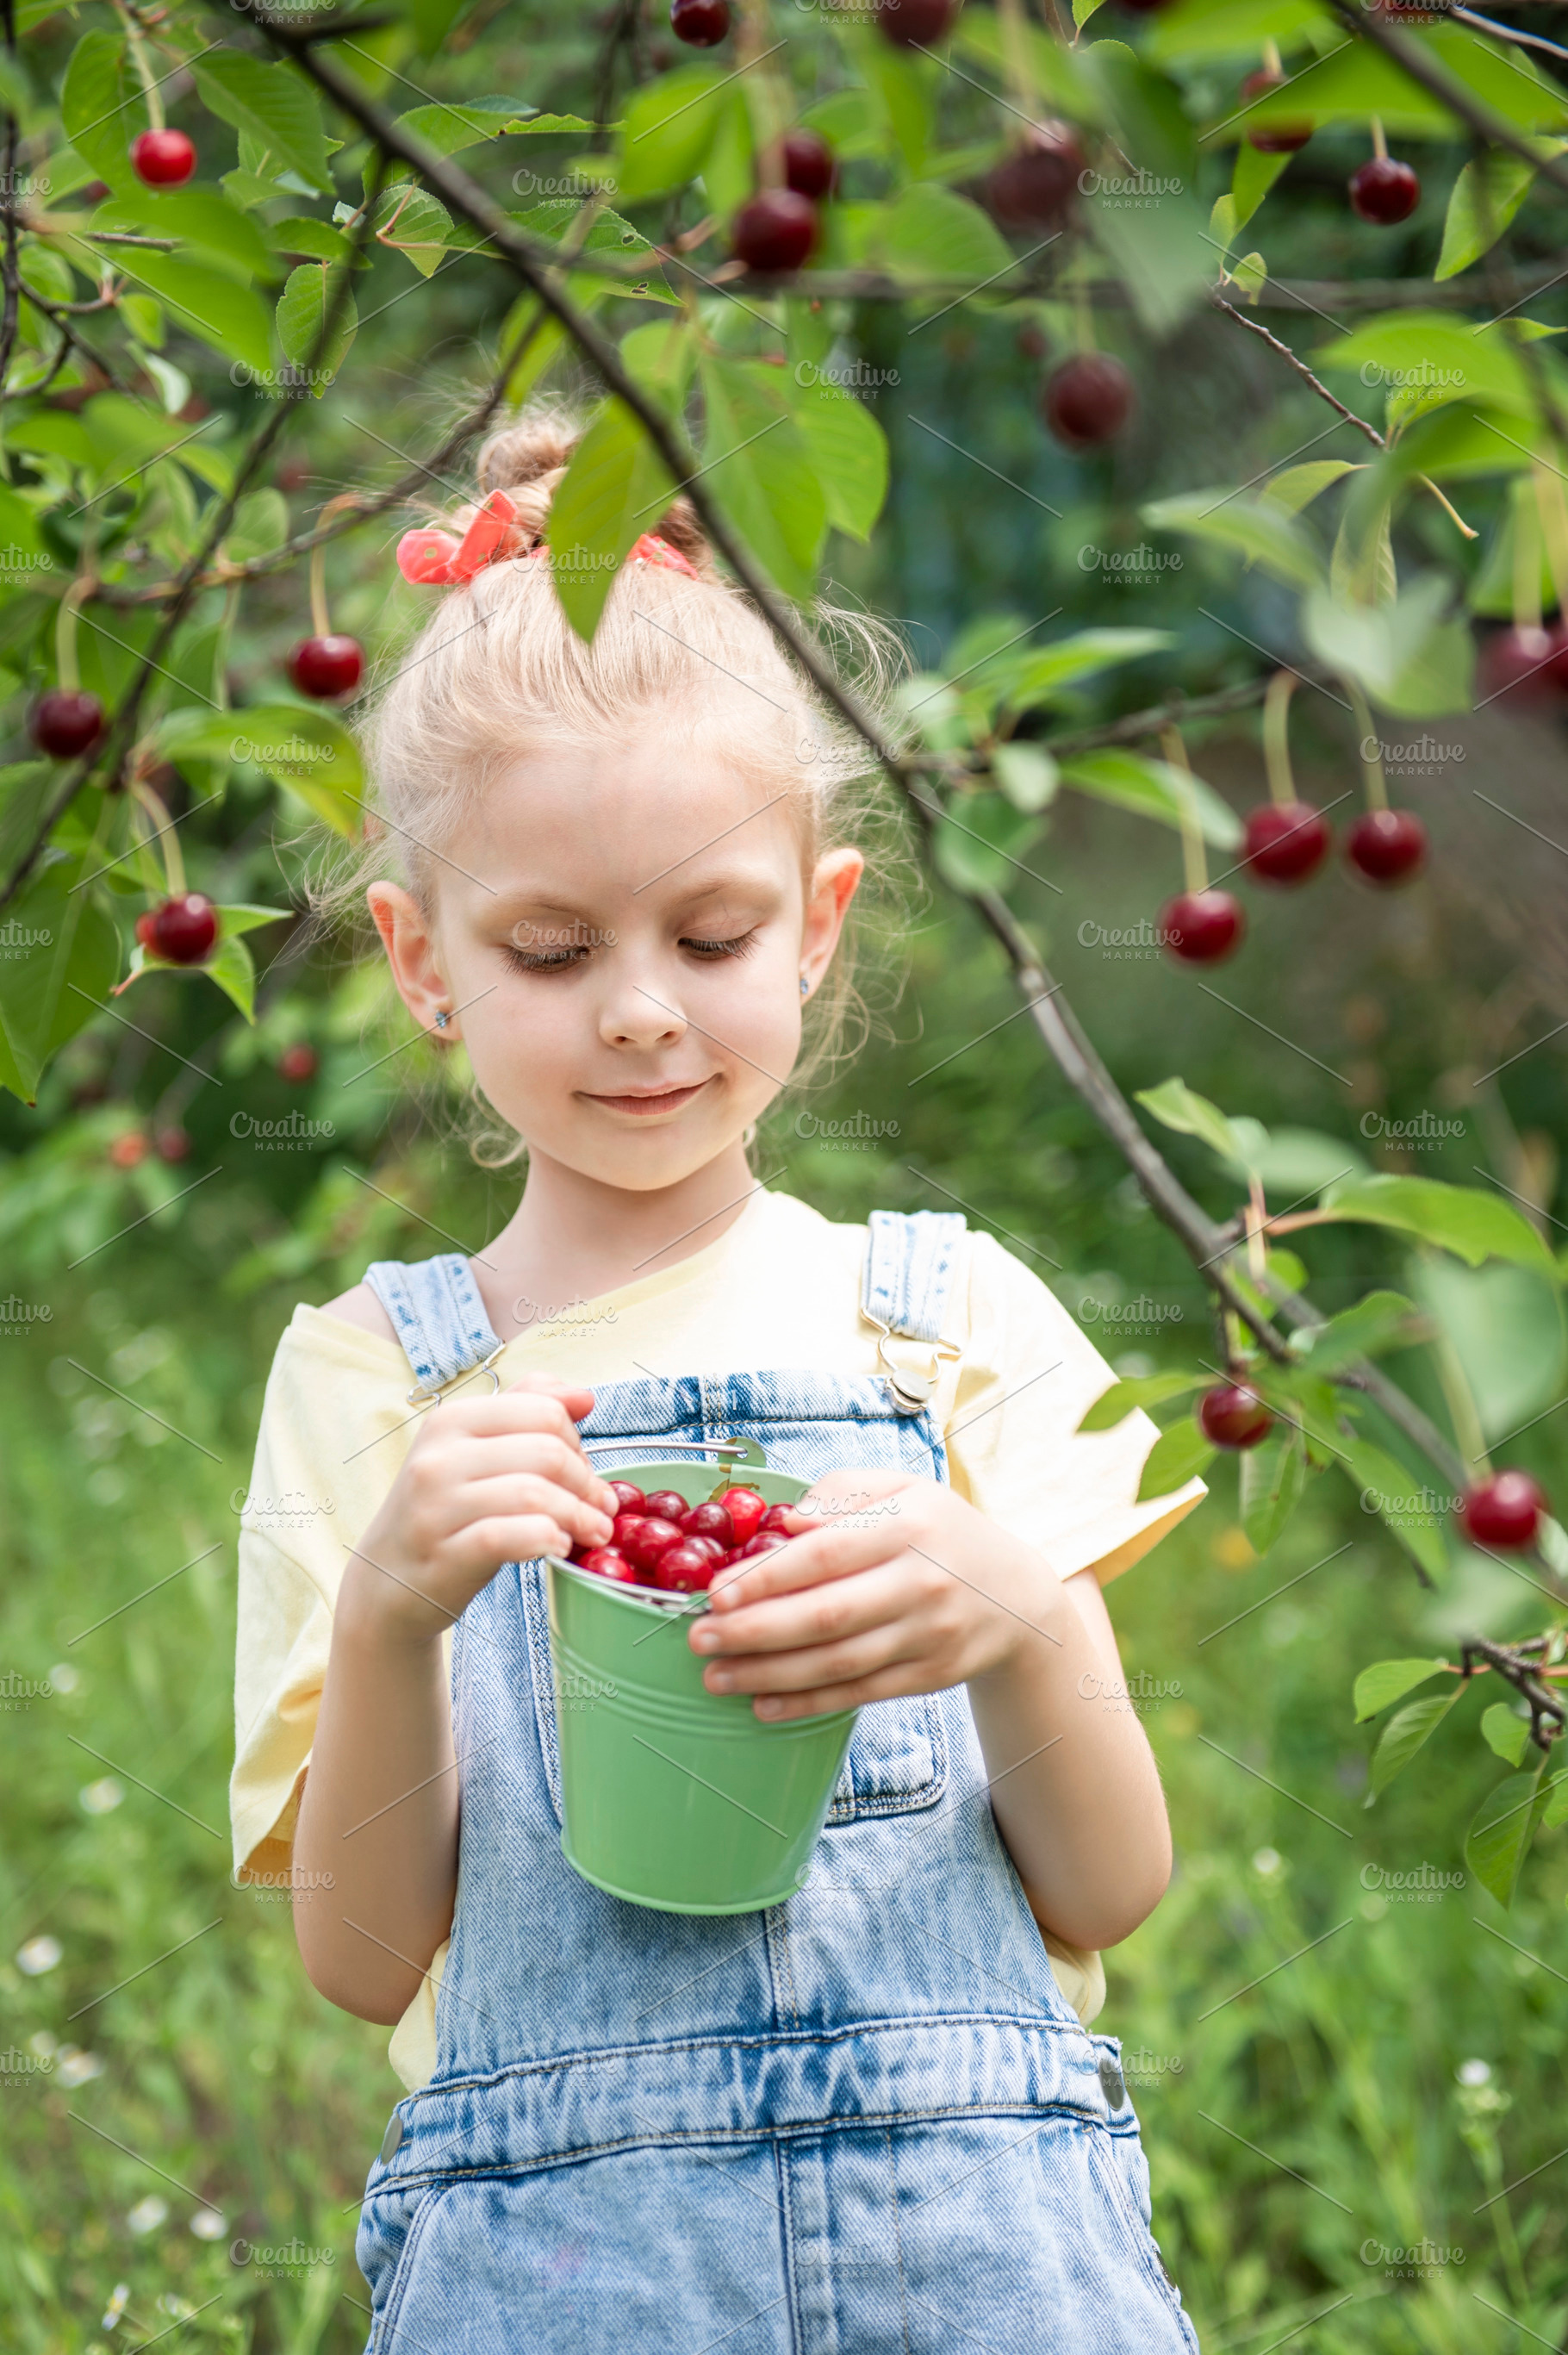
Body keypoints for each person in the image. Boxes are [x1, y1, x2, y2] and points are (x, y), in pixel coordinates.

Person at [229, 410, 1206, 2352]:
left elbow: (1112, 1878)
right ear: (426, 967)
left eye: (711, 930)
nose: (645, 1006)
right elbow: (361, 1958)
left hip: (989, 2259)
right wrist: (398, 1603)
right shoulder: (370, 1379)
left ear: (818, 922)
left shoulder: (949, 1327)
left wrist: (1020, 1617)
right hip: (565, 2280)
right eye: (550, 946)